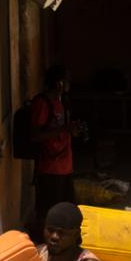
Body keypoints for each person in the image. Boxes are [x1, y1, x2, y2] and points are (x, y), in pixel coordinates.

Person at [29, 65, 79, 232]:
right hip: (49, 168)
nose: (69, 84)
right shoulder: (42, 103)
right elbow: (35, 135)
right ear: (59, 83)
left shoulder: (62, 101)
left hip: (65, 166)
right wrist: (64, 129)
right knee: (49, 212)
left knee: (66, 210)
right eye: (67, 80)